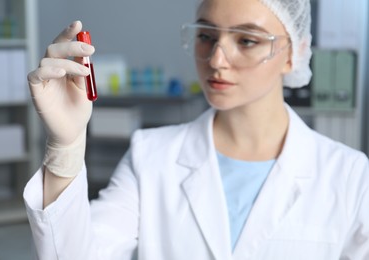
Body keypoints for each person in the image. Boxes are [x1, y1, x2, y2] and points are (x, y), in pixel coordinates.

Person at [24, 0, 369, 259]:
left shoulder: (350, 175)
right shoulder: (151, 156)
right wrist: (66, 145)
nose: (217, 59)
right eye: (206, 35)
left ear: (294, 53)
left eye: (247, 41)